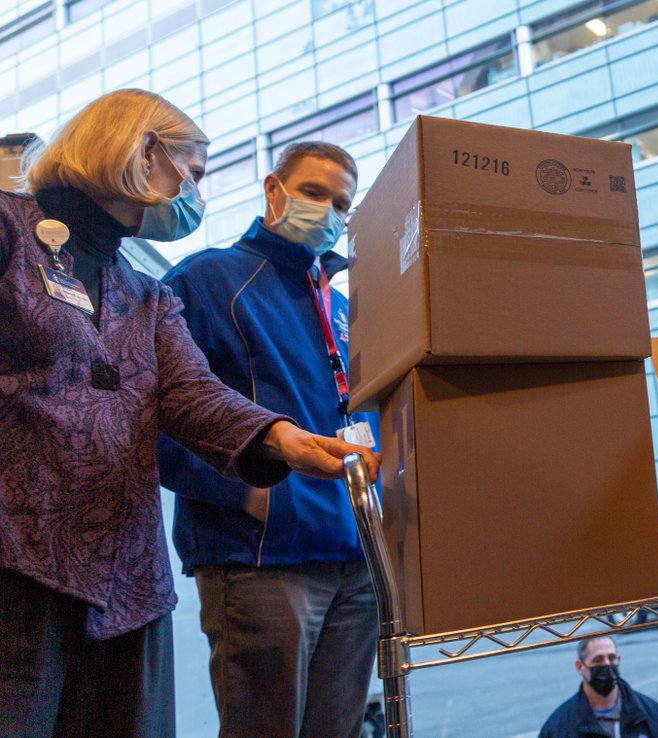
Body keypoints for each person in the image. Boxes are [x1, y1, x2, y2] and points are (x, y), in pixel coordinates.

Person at [0, 89, 380, 738]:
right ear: (144, 149)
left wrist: (283, 438)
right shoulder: (11, 232)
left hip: (129, 580)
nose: (195, 196)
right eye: (194, 174)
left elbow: (194, 396)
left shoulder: (146, 295)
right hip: (21, 561)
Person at [156, 141, 377, 738]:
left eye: (341, 203)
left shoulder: (341, 306)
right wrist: (247, 494)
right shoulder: (206, 280)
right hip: (259, 555)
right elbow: (149, 412)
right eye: (313, 192)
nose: (327, 210)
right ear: (273, 189)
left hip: (356, 560)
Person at [539, 635, 658, 738]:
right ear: (580, 667)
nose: (607, 664)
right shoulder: (559, 726)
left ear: (618, 660)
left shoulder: (650, 713)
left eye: (611, 658)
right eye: (598, 660)